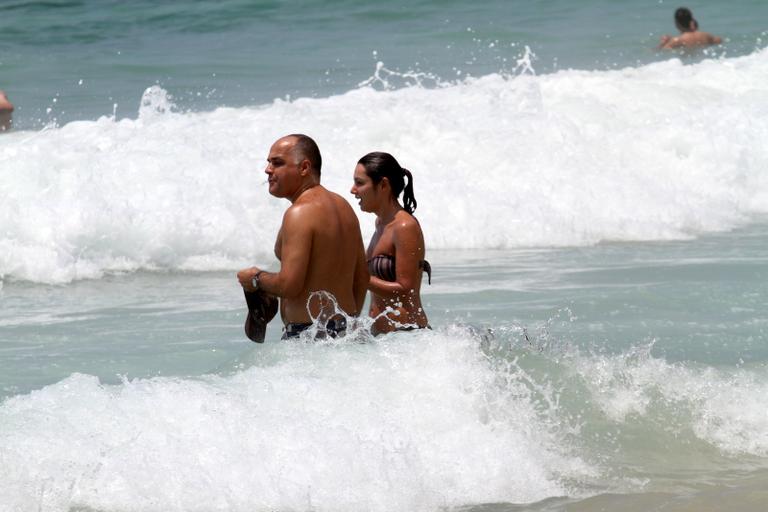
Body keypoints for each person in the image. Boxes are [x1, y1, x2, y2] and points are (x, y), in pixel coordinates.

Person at [237, 134, 369, 340]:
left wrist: (255, 278)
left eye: (277, 163)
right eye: (268, 162)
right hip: (346, 331)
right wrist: (348, 324)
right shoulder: (343, 206)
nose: (268, 169)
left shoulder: (300, 213)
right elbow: (362, 277)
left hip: (311, 337)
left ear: (304, 168)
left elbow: (289, 285)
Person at [350, 152, 431, 335]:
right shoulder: (380, 224)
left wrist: (361, 277)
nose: (353, 190)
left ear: (383, 185)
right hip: (384, 340)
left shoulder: (405, 226)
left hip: (408, 336)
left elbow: (405, 290)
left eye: (360, 183)